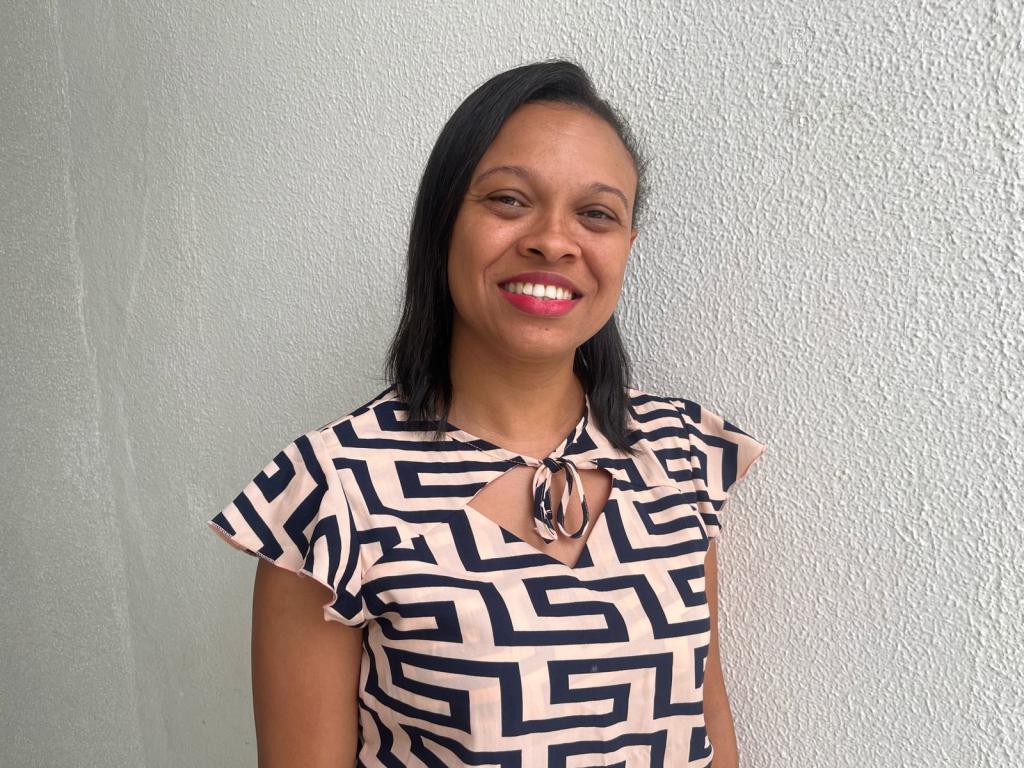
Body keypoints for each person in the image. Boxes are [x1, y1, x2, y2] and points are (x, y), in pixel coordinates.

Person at [208, 59, 767, 768]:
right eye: (509, 200)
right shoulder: (333, 491)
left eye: (596, 214)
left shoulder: (680, 453)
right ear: (444, 222)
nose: (553, 241)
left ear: (627, 246)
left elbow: (706, 721)